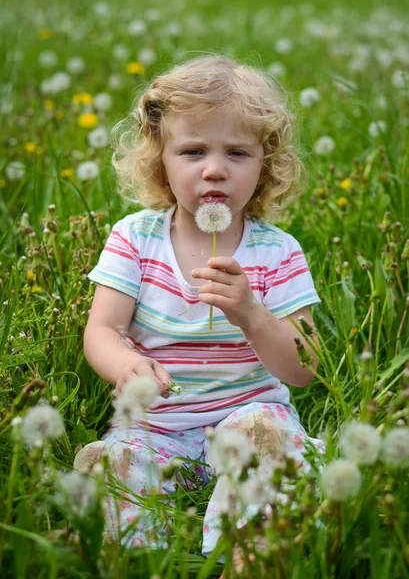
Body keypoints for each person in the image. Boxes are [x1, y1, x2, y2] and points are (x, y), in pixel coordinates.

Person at [74, 54, 323, 561]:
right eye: (192, 151)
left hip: (248, 419)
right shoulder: (135, 239)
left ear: (265, 164)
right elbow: (101, 330)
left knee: (267, 442)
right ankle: (139, 561)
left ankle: (247, 555)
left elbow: (304, 368)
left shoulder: (278, 252)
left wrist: (252, 315)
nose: (214, 168)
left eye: (237, 152)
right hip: (154, 430)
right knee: (108, 467)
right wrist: (123, 363)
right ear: (160, 161)